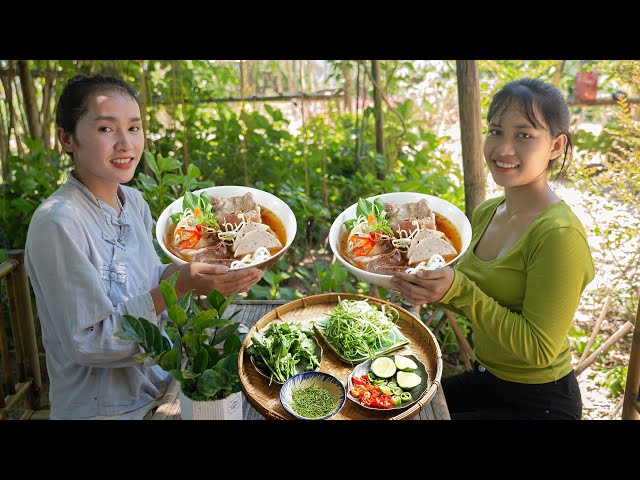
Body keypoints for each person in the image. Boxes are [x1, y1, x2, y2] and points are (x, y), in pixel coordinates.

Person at [24, 74, 263, 419]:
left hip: (159, 387)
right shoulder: (58, 222)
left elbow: (150, 281)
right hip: (104, 409)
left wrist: (203, 275)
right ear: (66, 138)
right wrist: (180, 284)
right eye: (106, 129)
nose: (126, 143)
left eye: (134, 128)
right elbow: (89, 342)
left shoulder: (133, 202)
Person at [391, 78, 595, 420]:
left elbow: (538, 349)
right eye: (496, 131)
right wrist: (429, 287)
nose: (503, 148)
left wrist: (458, 289)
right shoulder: (487, 212)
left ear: (556, 145)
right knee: (393, 406)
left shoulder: (559, 235)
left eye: (524, 135)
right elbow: (471, 295)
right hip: (488, 381)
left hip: (540, 403)